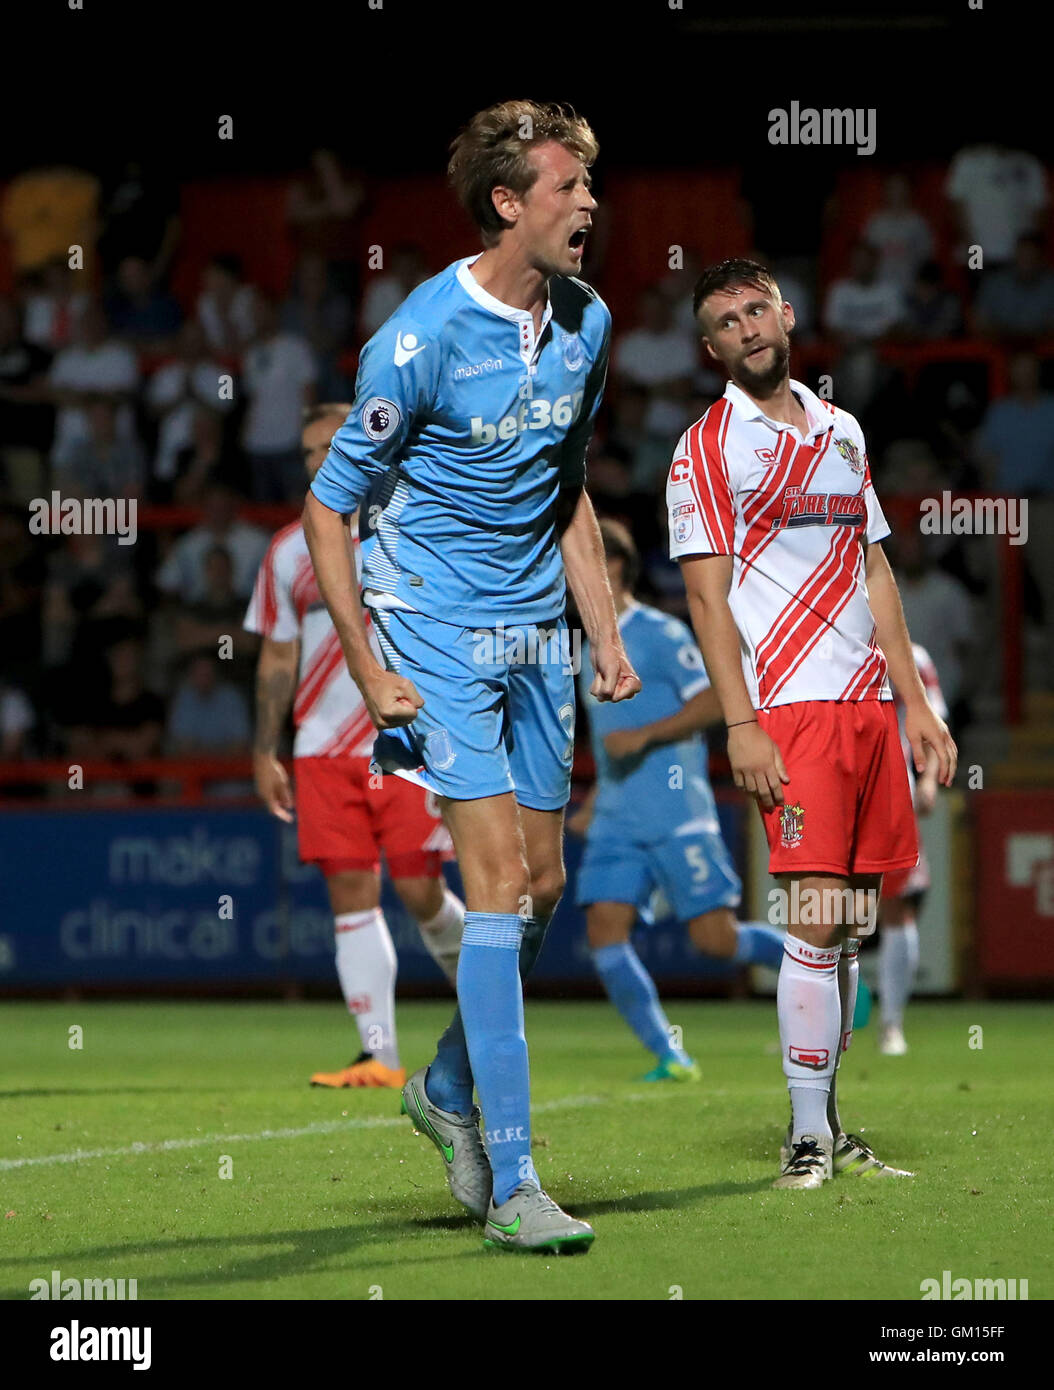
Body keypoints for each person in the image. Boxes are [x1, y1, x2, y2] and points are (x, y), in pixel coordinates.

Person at [303, 100, 639, 1253]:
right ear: (509, 202)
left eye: (590, 185)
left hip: (536, 631)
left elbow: (566, 484)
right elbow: (328, 503)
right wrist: (368, 664)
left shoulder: (590, 323)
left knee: (542, 883)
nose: (588, 203)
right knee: (492, 881)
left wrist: (599, 628)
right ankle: (515, 1180)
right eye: (566, 186)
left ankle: (443, 1085)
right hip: (435, 624)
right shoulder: (419, 335)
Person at [668, 257, 956, 1189]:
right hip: (787, 710)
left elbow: (875, 569)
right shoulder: (705, 448)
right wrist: (739, 724)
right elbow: (708, 602)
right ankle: (802, 1141)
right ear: (710, 346)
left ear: (786, 314)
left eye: (758, 309)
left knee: (849, 928)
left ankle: (828, 1128)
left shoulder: (843, 431)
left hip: (870, 705)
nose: (748, 328)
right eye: (727, 321)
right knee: (816, 920)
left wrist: (913, 703)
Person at [245, 404, 466, 1089]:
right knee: (349, 888)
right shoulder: (289, 548)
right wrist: (263, 749)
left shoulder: (416, 529)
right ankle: (380, 1055)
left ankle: (491, 998)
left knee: (418, 886)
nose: (317, 461)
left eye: (328, 446)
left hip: (405, 739)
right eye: (308, 452)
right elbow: (278, 658)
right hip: (319, 748)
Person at [568, 519, 785, 1080]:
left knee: (716, 941)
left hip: (676, 812)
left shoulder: (660, 634)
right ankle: (671, 1053)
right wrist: (598, 795)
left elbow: (717, 699)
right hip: (617, 816)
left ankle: (830, 969)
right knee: (604, 934)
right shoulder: (585, 643)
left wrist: (645, 736)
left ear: (610, 565)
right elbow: (608, 734)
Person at [877, 643, 947, 1056]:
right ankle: (822, 1027)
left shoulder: (912, 657)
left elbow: (933, 723)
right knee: (829, 907)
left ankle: (891, 1024)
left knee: (896, 905)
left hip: (893, 794)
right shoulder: (827, 646)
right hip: (837, 788)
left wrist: (927, 779)